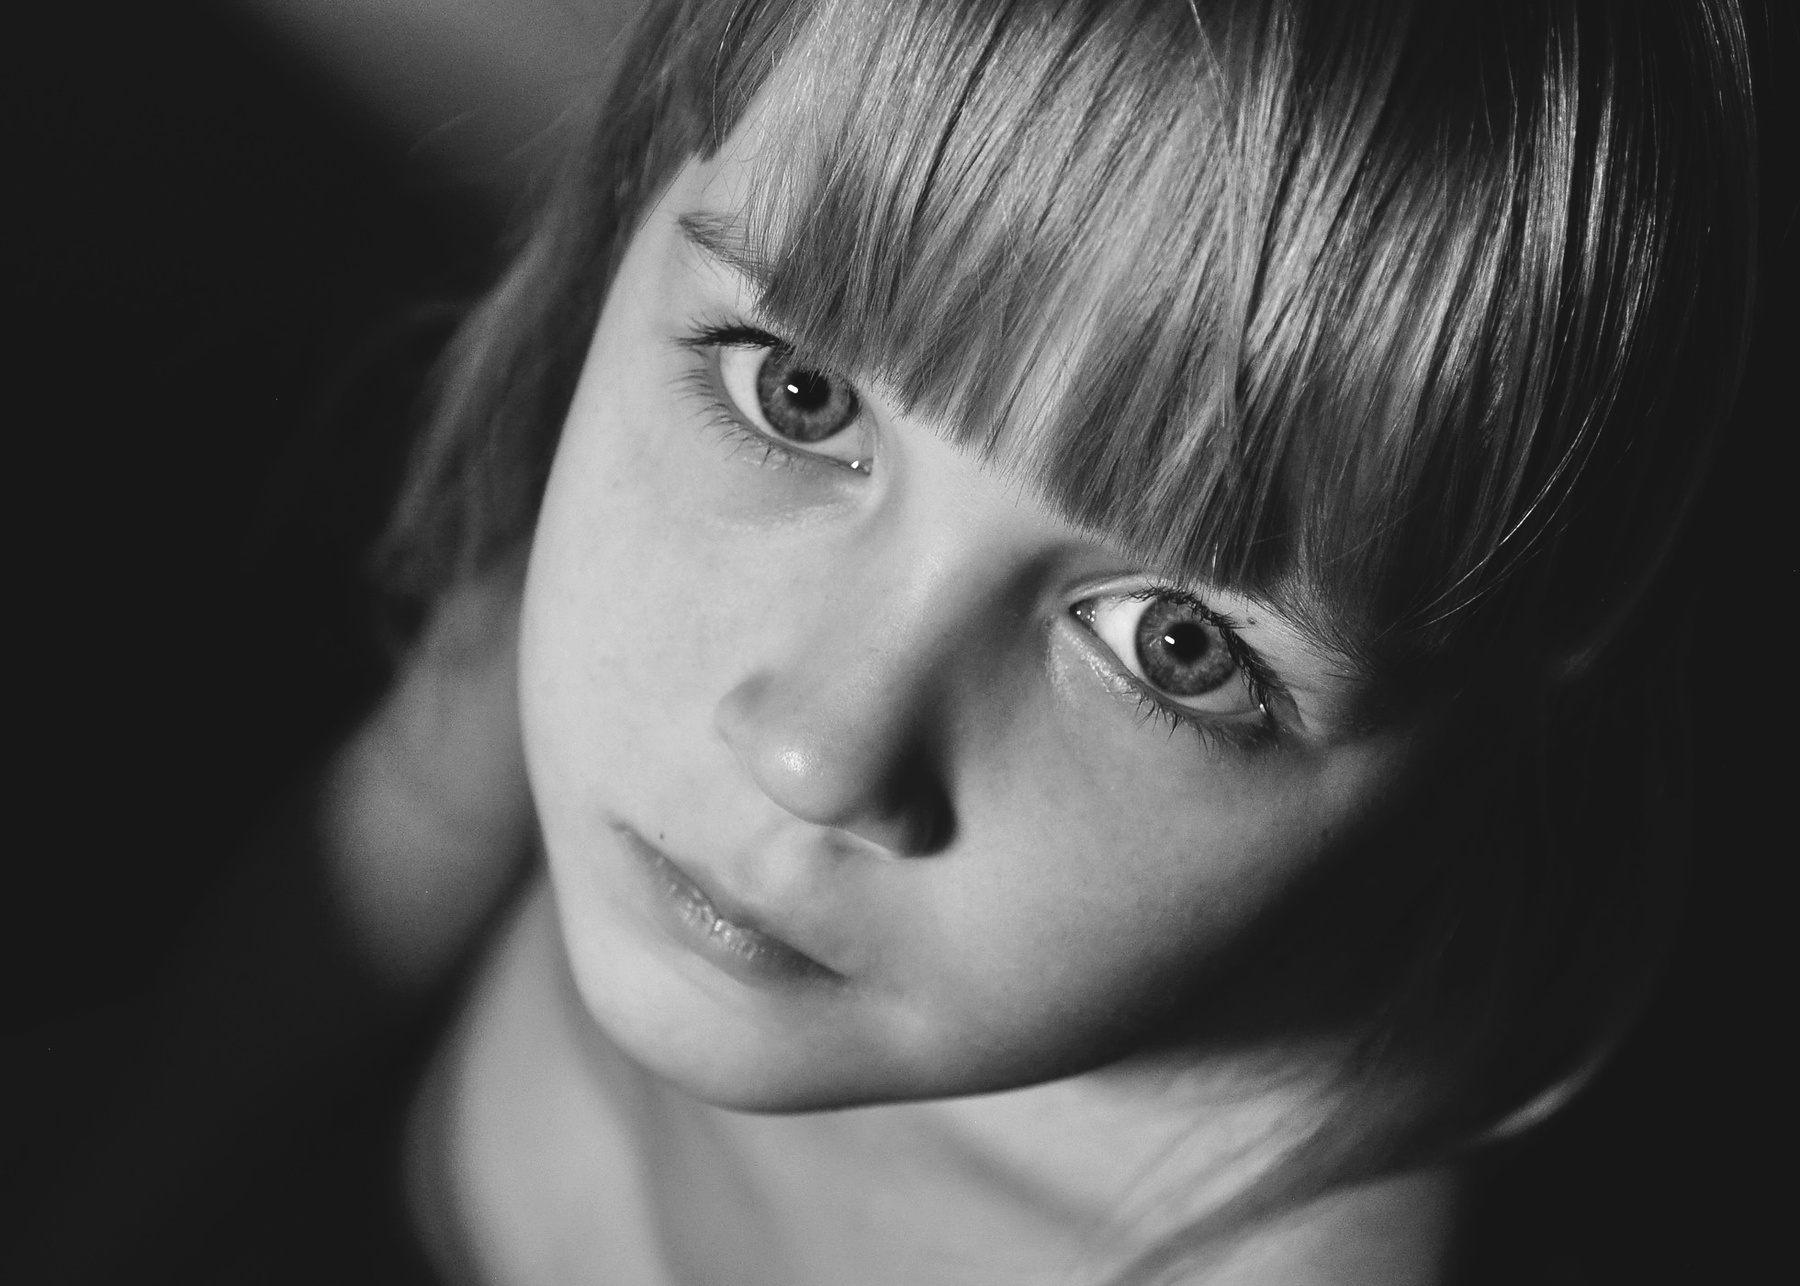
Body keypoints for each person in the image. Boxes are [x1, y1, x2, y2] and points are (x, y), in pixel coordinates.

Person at [27, 0, 1760, 1282]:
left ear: (1478, 760)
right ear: (632, 207)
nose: (817, 746)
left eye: (1176, 643)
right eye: (797, 394)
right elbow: (357, 888)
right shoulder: (577, 561)